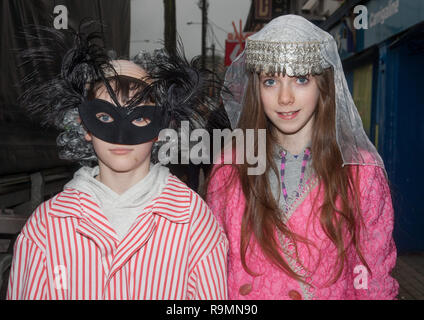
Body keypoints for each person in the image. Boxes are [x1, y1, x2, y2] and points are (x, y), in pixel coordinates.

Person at [7, 23, 228, 300]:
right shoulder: (46, 228)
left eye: (139, 118)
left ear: (161, 128)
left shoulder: (195, 224)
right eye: (104, 117)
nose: (121, 136)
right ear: (84, 125)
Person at [205, 15, 398, 300]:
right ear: (256, 89)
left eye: (301, 78)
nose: (285, 98)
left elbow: (373, 279)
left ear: (323, 86)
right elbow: (212, 270)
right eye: (271, 80)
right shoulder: (229, 168)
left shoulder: (361, 172)